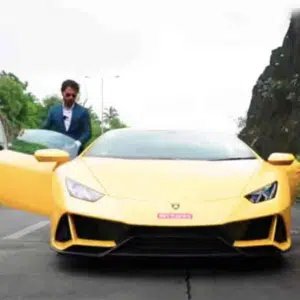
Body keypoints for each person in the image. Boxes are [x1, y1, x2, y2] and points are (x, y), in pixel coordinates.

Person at [42, 79, 92, 154]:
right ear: (62, 93)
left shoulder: (83, 112)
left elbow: (87, 132)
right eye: (68, 95)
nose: (71, 97)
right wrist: (29, 134)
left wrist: (77, 143)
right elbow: (45, 128)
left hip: (76, 153)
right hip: (56, 152)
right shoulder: (54, 110)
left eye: (74, 95)